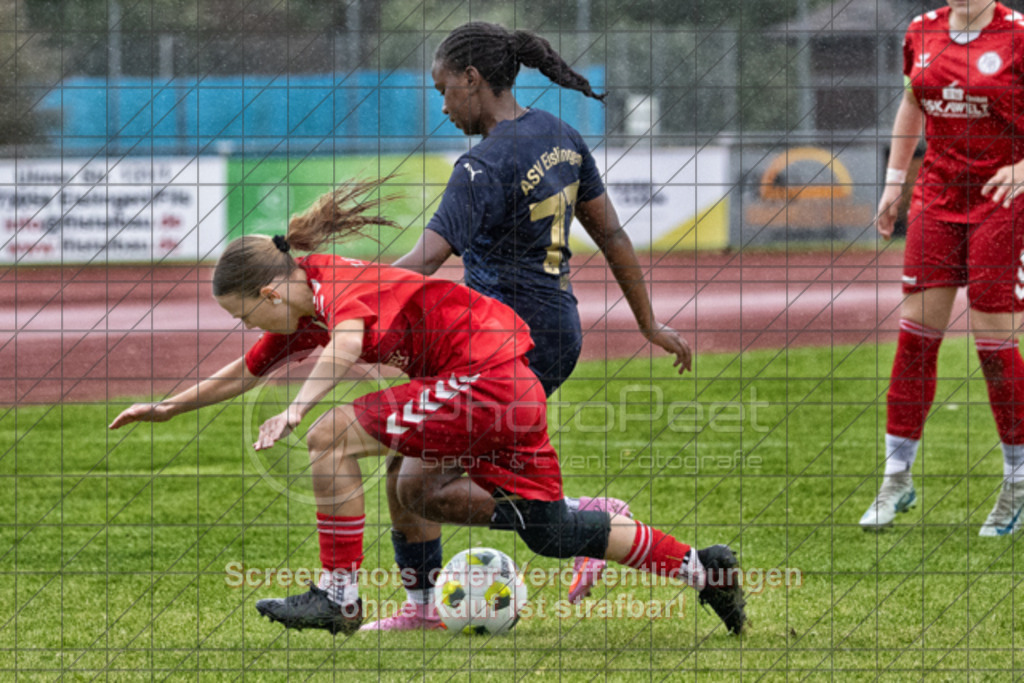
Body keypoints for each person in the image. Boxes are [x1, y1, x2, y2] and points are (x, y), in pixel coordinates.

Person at [108, 183, 746, 636]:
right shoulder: (306, 306)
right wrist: (165, 408)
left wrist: (301, 411)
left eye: (245, 313)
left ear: (270, 290)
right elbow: (242, 375)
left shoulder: (338, 284)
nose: (250, 326)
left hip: (486, 378)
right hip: (499, 385)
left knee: (332, 437)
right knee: (458, 501)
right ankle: (703, 569)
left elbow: (350, 346)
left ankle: (339, 597)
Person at [375, 21, 693, 629]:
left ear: (473, 80)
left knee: (418, 483)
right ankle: (423, 607)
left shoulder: (481, 167)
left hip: (509, 348)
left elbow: (423, 262)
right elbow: (613, 235)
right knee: (406, 463)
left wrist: (339, 289)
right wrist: (648, 323)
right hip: (552, 333)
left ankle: (584, 518)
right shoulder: (560, 134)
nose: (441, 106)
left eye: (444, 89)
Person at [864, 0, 1024, 534]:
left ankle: (1018, 481)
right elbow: (913, 102)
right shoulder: (922, 31)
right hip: (937, 198)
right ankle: (896, 478)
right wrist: (893, 183)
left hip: (1003, 200)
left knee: (994, 346)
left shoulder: (1018, 35)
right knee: (915, 338)